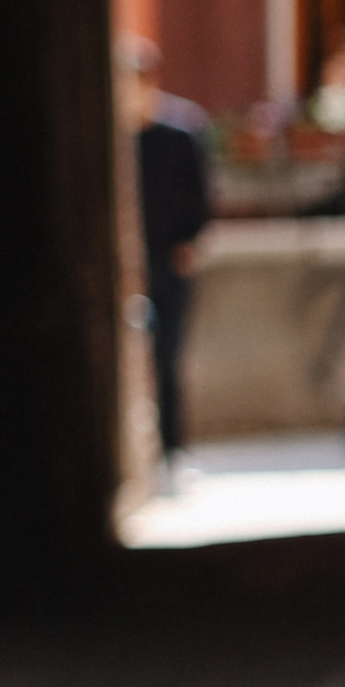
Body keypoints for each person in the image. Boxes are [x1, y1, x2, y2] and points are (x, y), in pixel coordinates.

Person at [121, 39, 214, 468]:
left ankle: (173, 449)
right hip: (127, 266)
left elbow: (200, 194)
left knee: (168, 355)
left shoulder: (180, 131)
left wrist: (189, 242)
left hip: (168, 260)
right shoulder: (115, 137)